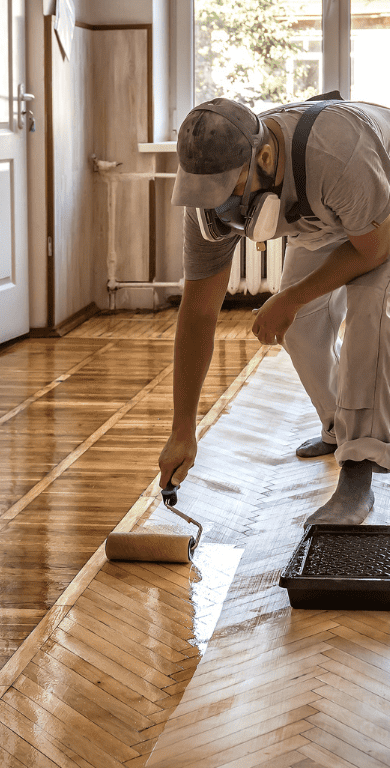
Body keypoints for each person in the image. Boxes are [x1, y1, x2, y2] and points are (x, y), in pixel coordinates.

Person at [160, 95, 390, 525]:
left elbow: (373, 250)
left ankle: (359, 475)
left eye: (229, 190)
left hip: (380, 213)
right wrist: (182, 430)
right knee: (300, 328)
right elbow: (198, 315)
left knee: (368, 312)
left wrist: (289, 296)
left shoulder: (337, 152)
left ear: (265, 156)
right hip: (322, 214)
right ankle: (337, 428)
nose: (219, 208)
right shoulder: (205, 200)